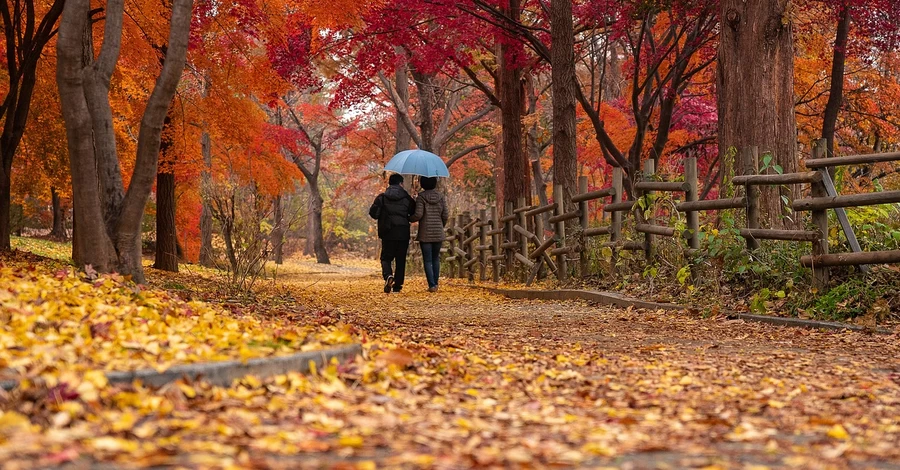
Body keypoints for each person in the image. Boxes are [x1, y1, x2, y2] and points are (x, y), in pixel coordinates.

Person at [369, 174, 415, 293]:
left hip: (388, 232)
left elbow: (373, 213)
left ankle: (388, 275)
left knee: (386, 258)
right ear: (401, 183)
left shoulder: (382, 198)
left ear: (389, 184)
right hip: (403, 232)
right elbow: (414, 212)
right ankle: (398, 286)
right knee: (400, 259)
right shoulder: (407, 198)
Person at [410, 176, 449, 292]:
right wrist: (441, 226)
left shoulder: (421, 197)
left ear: (423, 183)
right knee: (436, 258)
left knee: (427, 260)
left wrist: (409, 218)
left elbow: (418, 215)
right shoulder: (441, 197)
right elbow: (445, 215)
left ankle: (431, 285)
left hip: (425, 234)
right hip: (438, 232)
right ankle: (436, 284)